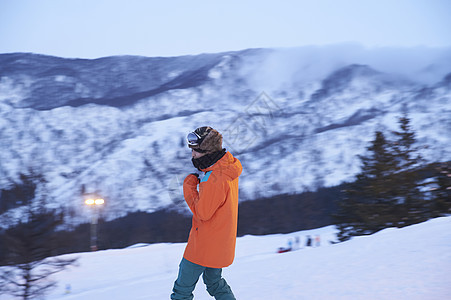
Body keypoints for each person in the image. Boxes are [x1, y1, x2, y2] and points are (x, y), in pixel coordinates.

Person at [171, 126, 243, 300]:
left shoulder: (214, 178)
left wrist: (189, 187)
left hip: (202, 246)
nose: (193, 155)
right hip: (220, 243)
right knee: (215, 284)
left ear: (207, 151)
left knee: (182, 291)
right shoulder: (227, 168)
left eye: (196, 151)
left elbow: (202, 213)